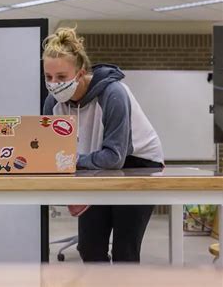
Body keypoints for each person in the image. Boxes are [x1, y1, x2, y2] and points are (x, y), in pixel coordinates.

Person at [42, 27, 164, 263]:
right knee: (89, 247)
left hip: (138, 165)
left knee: (125, 251)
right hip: (95, 164)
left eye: (61, 77)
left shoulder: (113, 93)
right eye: (49, 77)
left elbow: (114, 158)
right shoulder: (53, 103)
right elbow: (50, 153)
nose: (54, 84)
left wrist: (69, 160)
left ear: (80, 73)